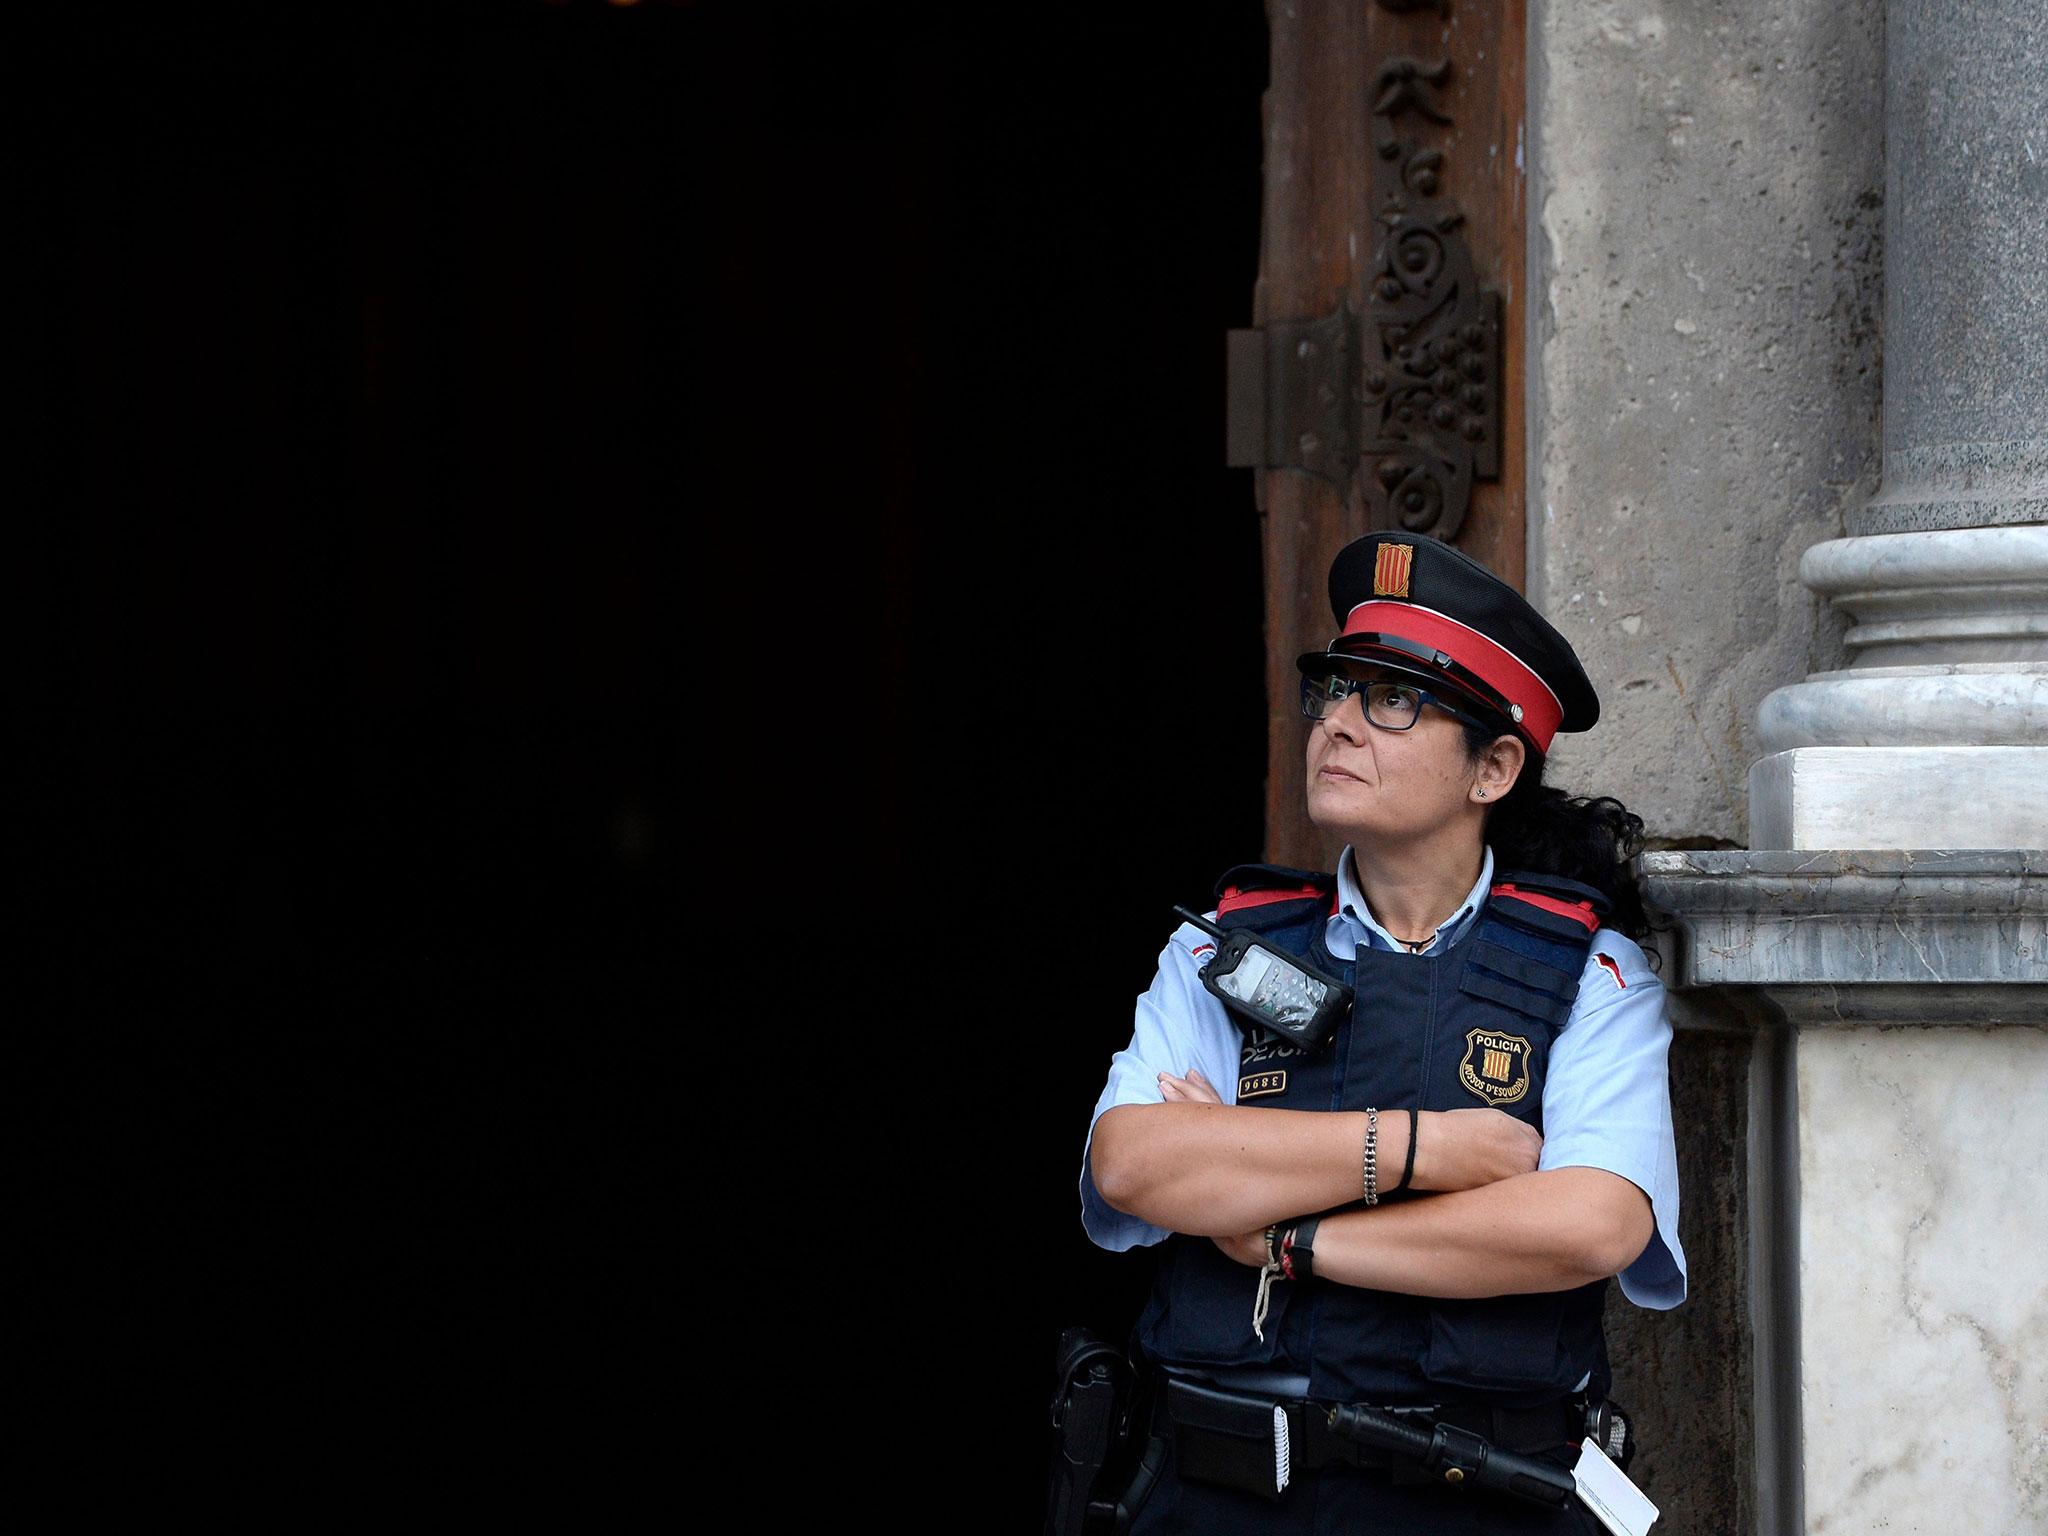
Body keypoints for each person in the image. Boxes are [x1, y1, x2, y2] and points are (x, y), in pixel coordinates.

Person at [1076, 531, 1686, 1535]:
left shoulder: (1591, 972)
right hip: (1224, 1499)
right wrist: (1425, 1150)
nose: (1339, 726)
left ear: (1491, 767)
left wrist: (1283, 1235)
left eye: (1392, 700)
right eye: (1335, 689)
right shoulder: (1220, 951)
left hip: (1473, 1500)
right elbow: (1134, 1164)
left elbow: (1590, 1225)